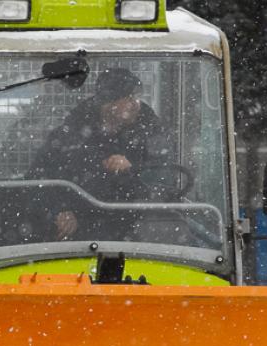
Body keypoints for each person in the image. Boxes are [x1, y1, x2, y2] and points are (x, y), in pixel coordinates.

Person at [29, 68, 170, 240]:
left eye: (137, 97)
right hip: (80, 230)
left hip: (136, 229)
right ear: (109, 102)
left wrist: (130, 171)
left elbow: (162, 179)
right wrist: (58, 211)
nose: (136, 104)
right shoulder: (70, 134)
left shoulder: (150, 131)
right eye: (129, 97)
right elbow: (39, 178)